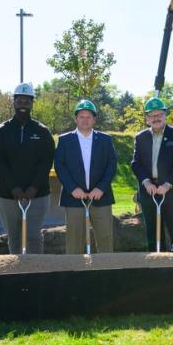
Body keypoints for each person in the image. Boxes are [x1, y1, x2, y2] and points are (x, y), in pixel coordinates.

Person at [0, 83, 55, 254]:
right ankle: (16, 275)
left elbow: (46, 162)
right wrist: (14, 187)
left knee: (33, 236)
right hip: (7, 195)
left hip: (38, 195)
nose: (23, 104)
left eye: (27, 101)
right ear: (14, 102)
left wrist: (34, 187)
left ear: (32, 103)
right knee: (14, 236)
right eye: (20, 100)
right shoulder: (1, 131)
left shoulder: (42, 131)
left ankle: (35, 274)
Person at [54, 100, 117, 254]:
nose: (85, 120)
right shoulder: (65, 140)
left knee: (105, 238)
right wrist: (73, 188)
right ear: (75, 119)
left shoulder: (105, 140)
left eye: (89, 116)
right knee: (74, 241)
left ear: (94, 119)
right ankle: (75, 274)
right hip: (73, 197)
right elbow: (60, 166)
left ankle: (104, 273)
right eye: (81, 116)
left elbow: (111, 165)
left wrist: (101, 188)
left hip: (101, 197)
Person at [131, 97, 173, 252]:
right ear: (147, 118)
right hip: (148, 191)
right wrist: (146, 182)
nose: (156, 118)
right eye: (152, 115)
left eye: (159, 115)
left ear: (165, 115)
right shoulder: (140, 137)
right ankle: (157, 268)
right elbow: (136, 163)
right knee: (153, 233)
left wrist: (167, 184)